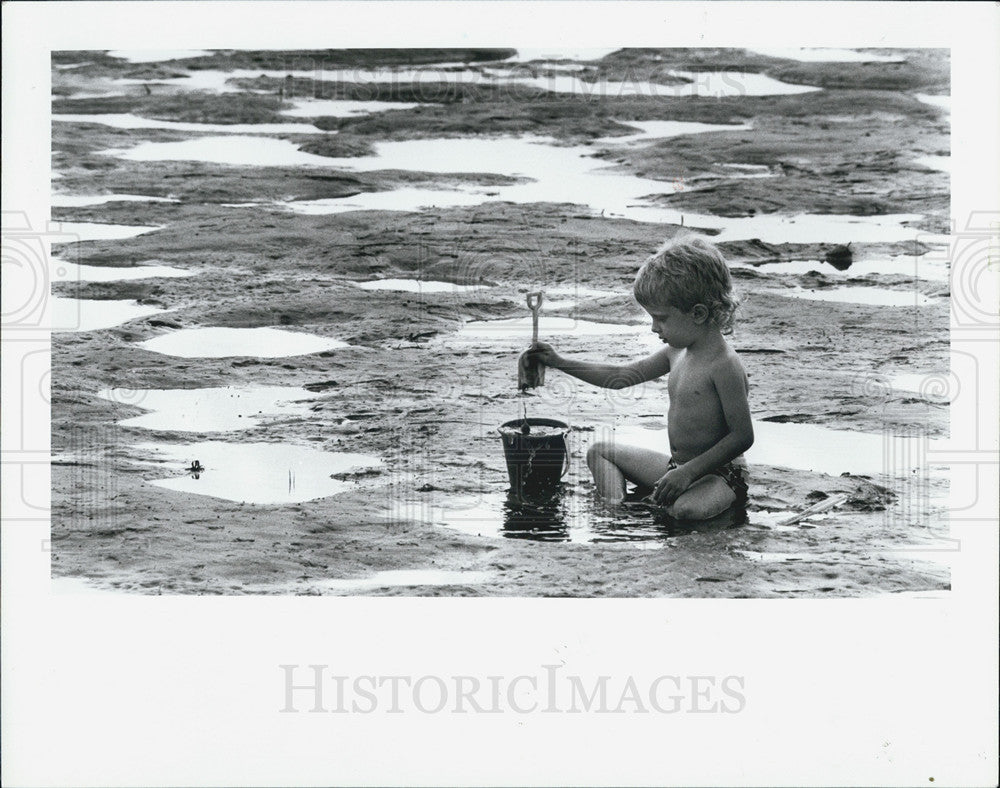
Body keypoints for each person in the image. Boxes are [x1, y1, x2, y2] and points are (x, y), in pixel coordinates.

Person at [526, 235, 753, 519]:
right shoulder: (676, 352)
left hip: (719, 475)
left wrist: (688, 473)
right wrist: (558, 362)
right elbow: (621, 377)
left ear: (697, 313)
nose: (654, 328)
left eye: (661, 318)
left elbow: (742, 437)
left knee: (686, 510)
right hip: (676, 467)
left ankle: (680, 504)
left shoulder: (724, 365)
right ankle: (616, 512)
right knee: (599, 451)